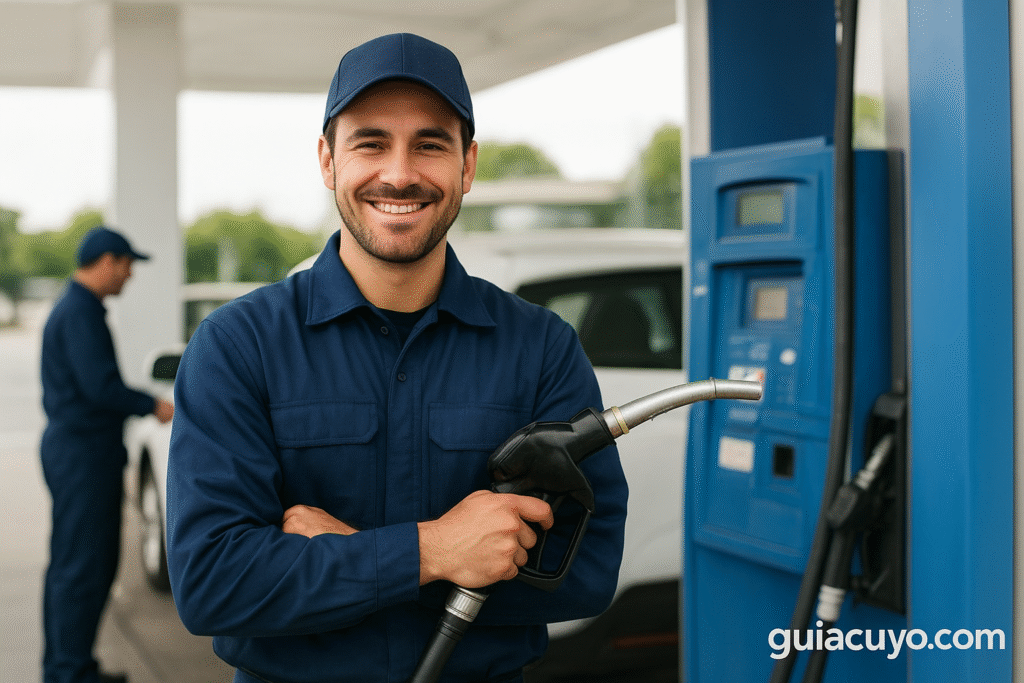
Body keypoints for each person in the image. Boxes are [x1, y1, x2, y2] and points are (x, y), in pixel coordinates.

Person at [166, 33, 628, 683]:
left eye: (430, 144)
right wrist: (437, 550)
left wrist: (350, 558)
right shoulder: (237, 346)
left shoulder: (542, 347)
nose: (400, 173)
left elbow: (585, 569)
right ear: (328, 161)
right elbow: (213, 582)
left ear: (467, 165)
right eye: (371, 142)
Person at [40, 226, 174, 683]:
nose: (130, 274)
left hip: (77, 451)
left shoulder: (77, 308)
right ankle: (69, 671)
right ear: (107, 261)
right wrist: (153, 404)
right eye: (127, 264)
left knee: (72, 564)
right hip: (83, 454)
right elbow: (99, 388)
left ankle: (68, 666)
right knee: (84, 568)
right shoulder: (80, 314)